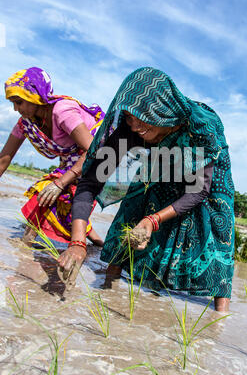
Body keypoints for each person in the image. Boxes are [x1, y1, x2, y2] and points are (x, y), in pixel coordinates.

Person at [58, 67, 235, 312]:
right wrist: (77, 242)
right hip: (161, 162)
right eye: (129, 117)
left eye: (140, 117)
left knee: (213, 220)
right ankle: (108, 286)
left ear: (161, 110)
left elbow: (197, 190)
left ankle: (220, 317)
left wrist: (153, 220)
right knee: (135, 204)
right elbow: (90, 182)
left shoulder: (200, 126)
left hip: (205, 176)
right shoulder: (129, 131)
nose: (134, 125)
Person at [0, 67, 105, 246]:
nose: (16, 109)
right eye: (13, 103)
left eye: (19, 102)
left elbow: (94, 150)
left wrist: (60, 183)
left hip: (100, 159)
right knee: (66, 204)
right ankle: (96, 241)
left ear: (36, 96)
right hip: (74, 161)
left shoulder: (62, 112)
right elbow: (4, 159)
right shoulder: (26, 123)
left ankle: (24, 248)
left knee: (45, 194)